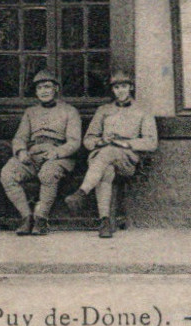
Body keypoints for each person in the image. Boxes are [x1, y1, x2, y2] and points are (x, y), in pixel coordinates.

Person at [64, 69, 157, 238]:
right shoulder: (103, 110)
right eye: (116, 88)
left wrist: (126, 143)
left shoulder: (143, 111)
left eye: (124, 87)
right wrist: (101, 141)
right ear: (112, 90)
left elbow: (151, 142)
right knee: (105, 170)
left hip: (127, 160)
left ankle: (82, 193)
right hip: (102, 157)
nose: (120, 91)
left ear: (130, 88)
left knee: (108, 154)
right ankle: (105, 221)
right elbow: (88, 140)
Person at [0, 68, 81, 236]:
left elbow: (74, 142)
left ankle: (41, 219)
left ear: (56, 89)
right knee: (8, 173)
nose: (43, 91)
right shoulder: (30, 112)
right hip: (33, 154)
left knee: (48, 173)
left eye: (47, 87)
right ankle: (26, 217)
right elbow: (20, 137)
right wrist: (21, 151)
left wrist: (57, 153)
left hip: (59, 155)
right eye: (40, 88)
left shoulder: (69, 111)